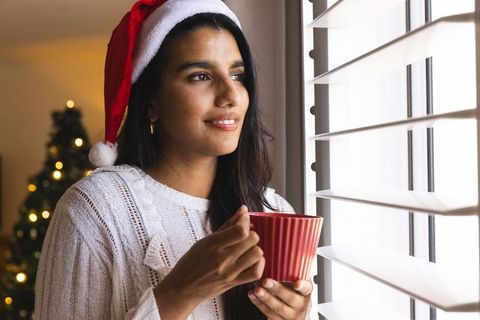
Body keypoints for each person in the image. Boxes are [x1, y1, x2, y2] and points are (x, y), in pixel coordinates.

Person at [34, 0, 313, 319]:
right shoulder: (95, 210)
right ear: (150, 101)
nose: (230, 96)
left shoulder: (275, 213)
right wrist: (180, 292)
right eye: (200, 76)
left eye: (237, 75)